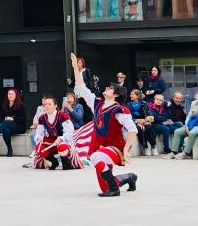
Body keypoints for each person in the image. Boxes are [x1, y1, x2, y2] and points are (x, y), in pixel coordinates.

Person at [72, 54, 138, 197]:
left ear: (116, 95)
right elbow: (81, 87)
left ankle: (114, 190)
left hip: (115, 147)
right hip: (100, 146)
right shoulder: (97, 103)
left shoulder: (119, 110)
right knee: (104, 186)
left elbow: (132, 129)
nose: (107, 87)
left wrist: (126, 150)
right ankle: (129, 177)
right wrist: (74, 67)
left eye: (111, 88)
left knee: (96, 157)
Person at [31, 94, 79, 170]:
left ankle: (65, 162)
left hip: (63, 140)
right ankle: (54, 162)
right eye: (45, 104)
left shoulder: (62, 116)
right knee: (39, 147)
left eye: (49, 104)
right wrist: (39, 138)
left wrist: (61, 138)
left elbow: (70, 131)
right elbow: (39, 132)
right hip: (51, 140)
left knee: (62, 146)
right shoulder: (42, 118)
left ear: (55, 106)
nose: (47, 106)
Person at [0, 88, 27, 158]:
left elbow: (23, 118)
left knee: (7, 122)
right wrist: (5, 118)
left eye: (12, 94)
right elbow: (1, 118)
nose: (10, 95)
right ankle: (9, 149)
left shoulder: (20, 105)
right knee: (6, 130)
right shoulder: (5, 105)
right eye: (9, 94)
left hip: (20, 126)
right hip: (8, 126)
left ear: (16, 95)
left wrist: (13, 119)